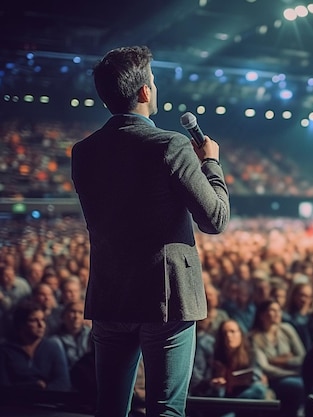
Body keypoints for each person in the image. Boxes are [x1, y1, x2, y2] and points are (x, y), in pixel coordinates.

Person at [71, 45, 230, 417]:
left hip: (110, 295)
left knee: (109, 408)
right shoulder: (170, 144)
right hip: (166, 297)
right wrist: (211, 163)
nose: (155, 88)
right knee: (166, 410)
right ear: (144, 92)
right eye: (154, 82)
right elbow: (215, 219)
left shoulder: (83, 151)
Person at [250, 299, 305, 417]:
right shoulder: (255, 337)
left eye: (279, 310)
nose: (277, 314)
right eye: (272, 310)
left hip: (293, 374)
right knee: (300, 386)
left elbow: (302, 357)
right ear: (262, 315)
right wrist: (291, 372)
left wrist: (281, 360)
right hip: (274, 380)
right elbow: (265, 368)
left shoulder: (287, 329)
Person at [0, 300, 71, 391]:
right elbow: (4, 387)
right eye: (34, 320)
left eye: (42, 320)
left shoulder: (52, 347)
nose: (41, 325)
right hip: (16, 403)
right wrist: (32, 386)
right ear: (21, 324)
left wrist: (43, 392)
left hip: (48, 401)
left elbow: (63, 383)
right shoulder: (6, 351)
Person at [210, 319, 267, 399]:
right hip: (222, 396)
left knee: (259, 389)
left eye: (232, 332)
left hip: (243, 394)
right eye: (224, 333)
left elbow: (256, 375)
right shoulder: (215, 355)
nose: (228, 335)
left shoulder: (250, 354)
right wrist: (214, 383)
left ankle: (232, 405)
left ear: (240, 334)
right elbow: (202, 382)